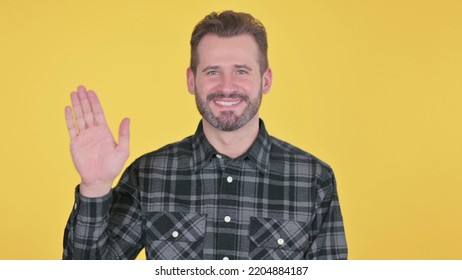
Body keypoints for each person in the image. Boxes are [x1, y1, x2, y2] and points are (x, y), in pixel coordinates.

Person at [63, 10, 348, 260]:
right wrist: (95, 187)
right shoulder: (148, 174)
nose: (226, 87)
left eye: (241, 71)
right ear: (191, 80)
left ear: (266, 80)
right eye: (212, 71)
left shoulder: (314, 179)